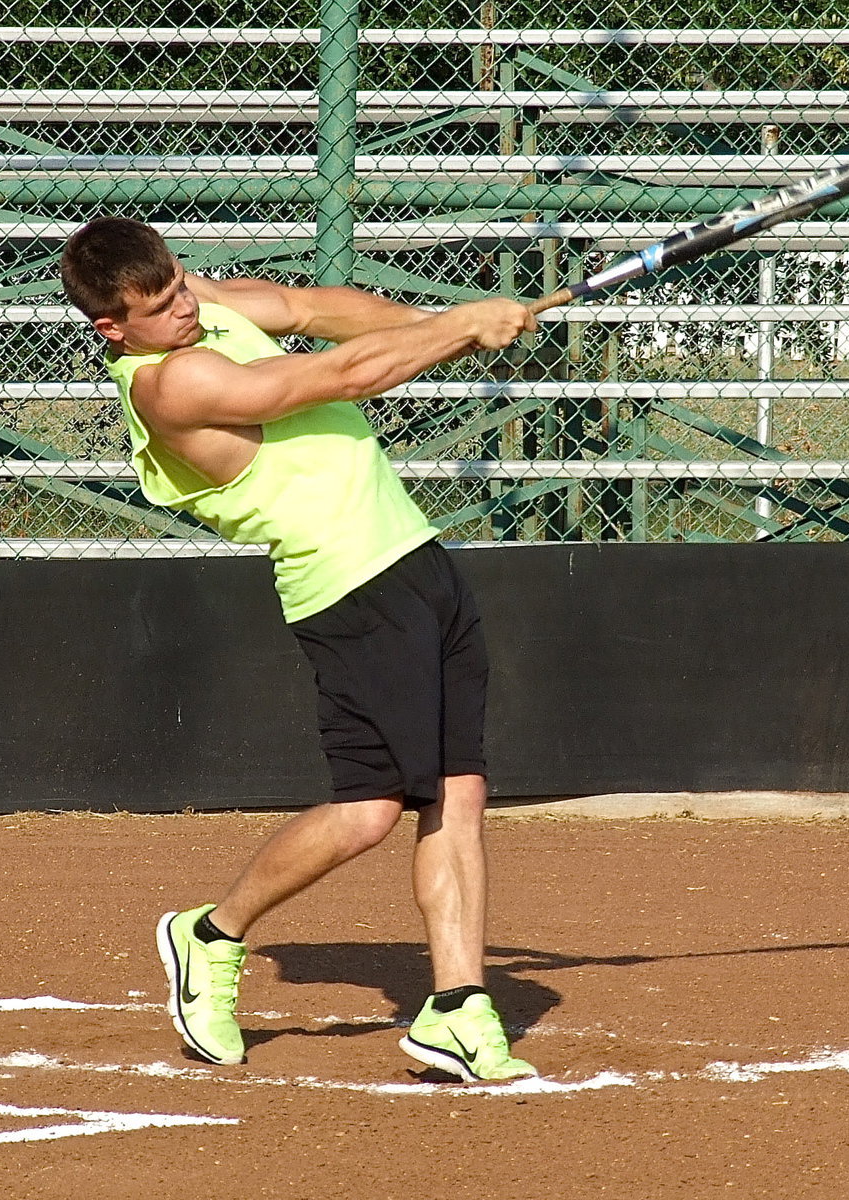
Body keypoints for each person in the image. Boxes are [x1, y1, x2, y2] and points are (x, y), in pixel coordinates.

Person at [59, 216, 539, 1082]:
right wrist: (458, 325)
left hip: (415, 558)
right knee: (368, 813)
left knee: (460, 791)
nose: (185, 307)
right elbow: (338, 375)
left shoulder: (196, 307)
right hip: (348, 587)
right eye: (161, 305)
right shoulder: (171, 384)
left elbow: (316, 310)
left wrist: (438, 327)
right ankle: (209, 933)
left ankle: (460, 1007)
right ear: (113, 328)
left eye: (179, 284)